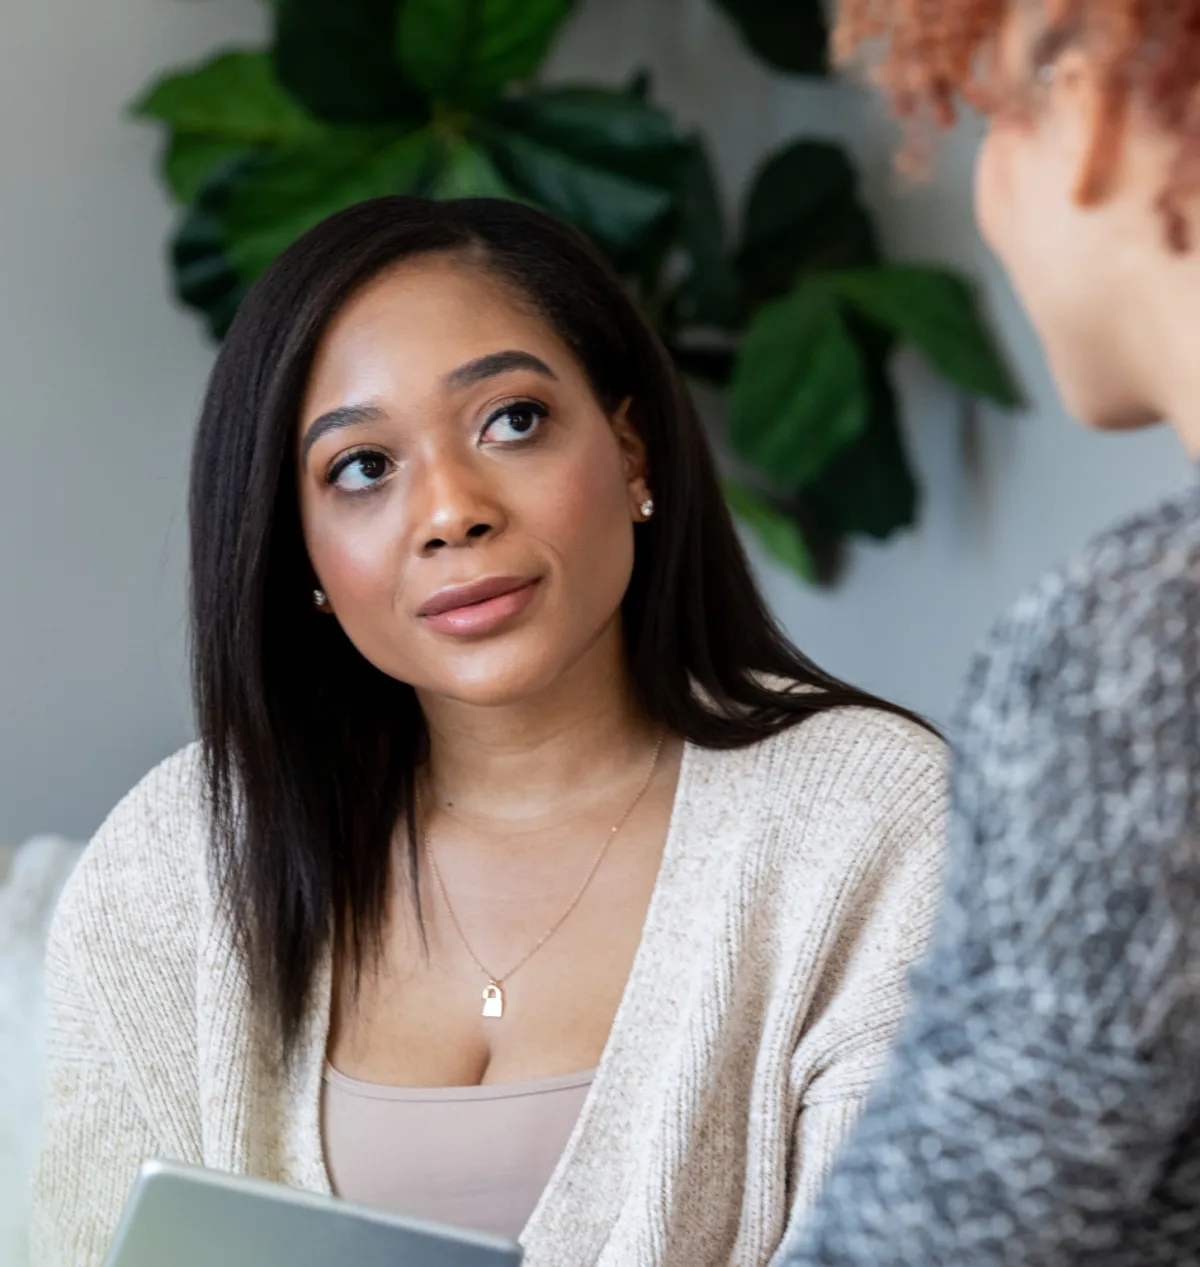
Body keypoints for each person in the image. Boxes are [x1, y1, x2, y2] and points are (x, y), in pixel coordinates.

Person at [30, 197, 946, 1267]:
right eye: (362, 467)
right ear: (303, 556)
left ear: (632, 450)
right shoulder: (179, 857)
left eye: (510, 419)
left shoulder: (871, 824)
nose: (451, 510)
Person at [779, 3, 1200, 1265]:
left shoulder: (1143, 644)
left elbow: (942, 1237)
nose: (987, 193)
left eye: (997, 117)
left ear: (1094, 103)